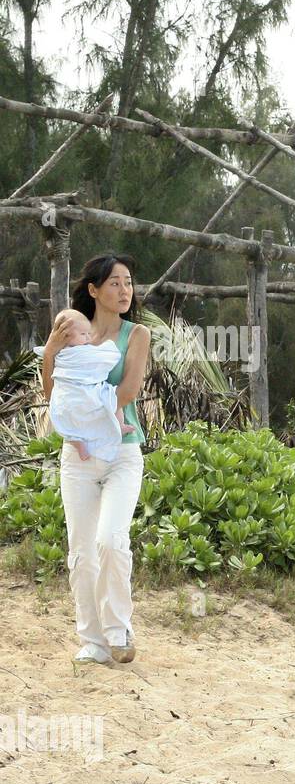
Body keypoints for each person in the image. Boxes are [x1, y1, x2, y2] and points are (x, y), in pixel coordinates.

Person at [40, 255, 150, 665]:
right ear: (93, 290)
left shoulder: (136, 334)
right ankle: (93, 640)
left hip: (122, 451)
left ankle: (119, 629)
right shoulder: (71, 333)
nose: (124, 291)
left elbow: (129, 390)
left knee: (111, 541)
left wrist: (96, 419)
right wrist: (51, 348)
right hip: (77, 456)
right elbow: (53, 390)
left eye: (128, 282)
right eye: (115, 283)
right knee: (82, 552)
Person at [45, 308, 131, 462]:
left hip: (65, 400)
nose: (88, 338)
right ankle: (119, 425)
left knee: (67, 427)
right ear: (65, 336)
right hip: (80, 394)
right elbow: (104, 358)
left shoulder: (57, 354)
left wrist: (49, 352)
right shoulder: (78, 353)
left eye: (88, 333)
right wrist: (110, 348)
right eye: (83, 334)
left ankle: (79, 445)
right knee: (112, 398)